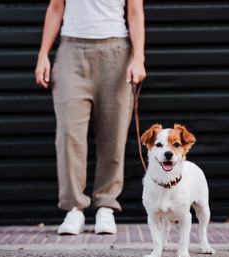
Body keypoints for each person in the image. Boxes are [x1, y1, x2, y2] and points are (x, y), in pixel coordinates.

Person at [34, 0, 146, 235]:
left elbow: (135, 12)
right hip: (71, 51)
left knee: (113, 136)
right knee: (68, 134)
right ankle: (74, 208)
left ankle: (106, 206)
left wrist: (139, 58)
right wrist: (43, 54)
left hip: (116, 50)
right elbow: (56, 7)